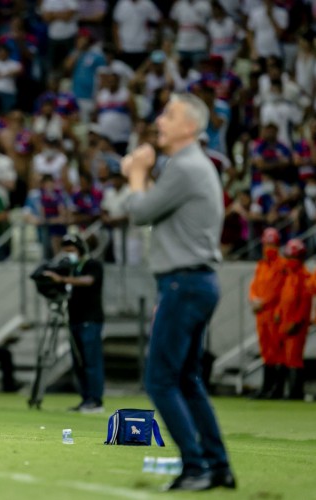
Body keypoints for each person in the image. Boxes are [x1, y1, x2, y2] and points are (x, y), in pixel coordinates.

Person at [122, 92, 235, 491]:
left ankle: (196, 465)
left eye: (169, 114)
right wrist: (145, 174)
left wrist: (135, 174)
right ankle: (217, 465)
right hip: (197, 281)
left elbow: (140, 212)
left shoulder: (186, 167)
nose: (160, 120)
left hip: (183, 282)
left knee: (161, 380)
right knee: (187, 379)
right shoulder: (190, 166)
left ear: (190, 126)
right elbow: (159, 203)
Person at [42, 234, 105, 413]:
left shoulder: (93, 265)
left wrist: (62, 279)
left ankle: (96, 400)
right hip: (74, 319)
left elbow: (89, 280)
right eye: (66, 251)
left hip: (90, 320)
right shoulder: (70, 268)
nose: (68, 254)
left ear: (81, 250)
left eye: (72, 251)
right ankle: (86, 399)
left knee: (91, 361)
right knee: (79, 362)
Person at [249, 227, 287, 399]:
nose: (269, 248)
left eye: (272, 244)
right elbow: (254, 287)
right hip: (261, 315)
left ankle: (276, 389)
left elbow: (278, 290)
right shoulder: (261, 265)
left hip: (274, 314)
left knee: (277, 351)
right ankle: (266, 388)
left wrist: (261, 302)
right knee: (266, 351)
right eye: (267, 244)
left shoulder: (282, 265)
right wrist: (254, 299)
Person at [277, 238, 311, 401]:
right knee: (283, 357)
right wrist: (278, 313)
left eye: (294, 258)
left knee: (294, 359)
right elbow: (282, 299)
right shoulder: (288, 276)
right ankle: (283, 390)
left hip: (296, 325)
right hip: (284, 322)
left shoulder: (305, 278)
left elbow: (305, 304)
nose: (291, 261)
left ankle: (295, 392)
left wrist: (296, 322)